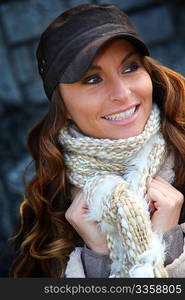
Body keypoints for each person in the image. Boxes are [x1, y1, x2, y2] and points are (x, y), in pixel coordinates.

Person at [11, 3, 185, 278]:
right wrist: (99, 257)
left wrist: (169, 246)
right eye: (92, 79)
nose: (122, 93)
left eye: (130, 67)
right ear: (64, 107)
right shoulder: (48, 207)